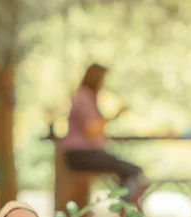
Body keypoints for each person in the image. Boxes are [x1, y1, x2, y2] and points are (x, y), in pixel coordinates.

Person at [60, 63, 149, 201]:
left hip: (85, 154)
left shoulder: (86, 97)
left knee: (130, 170)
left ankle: (122, 206)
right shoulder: (84, 97)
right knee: (133, 171)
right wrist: (115, 115)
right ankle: (123, 207)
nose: (104, 83)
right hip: (82, 155)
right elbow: (92, 129)